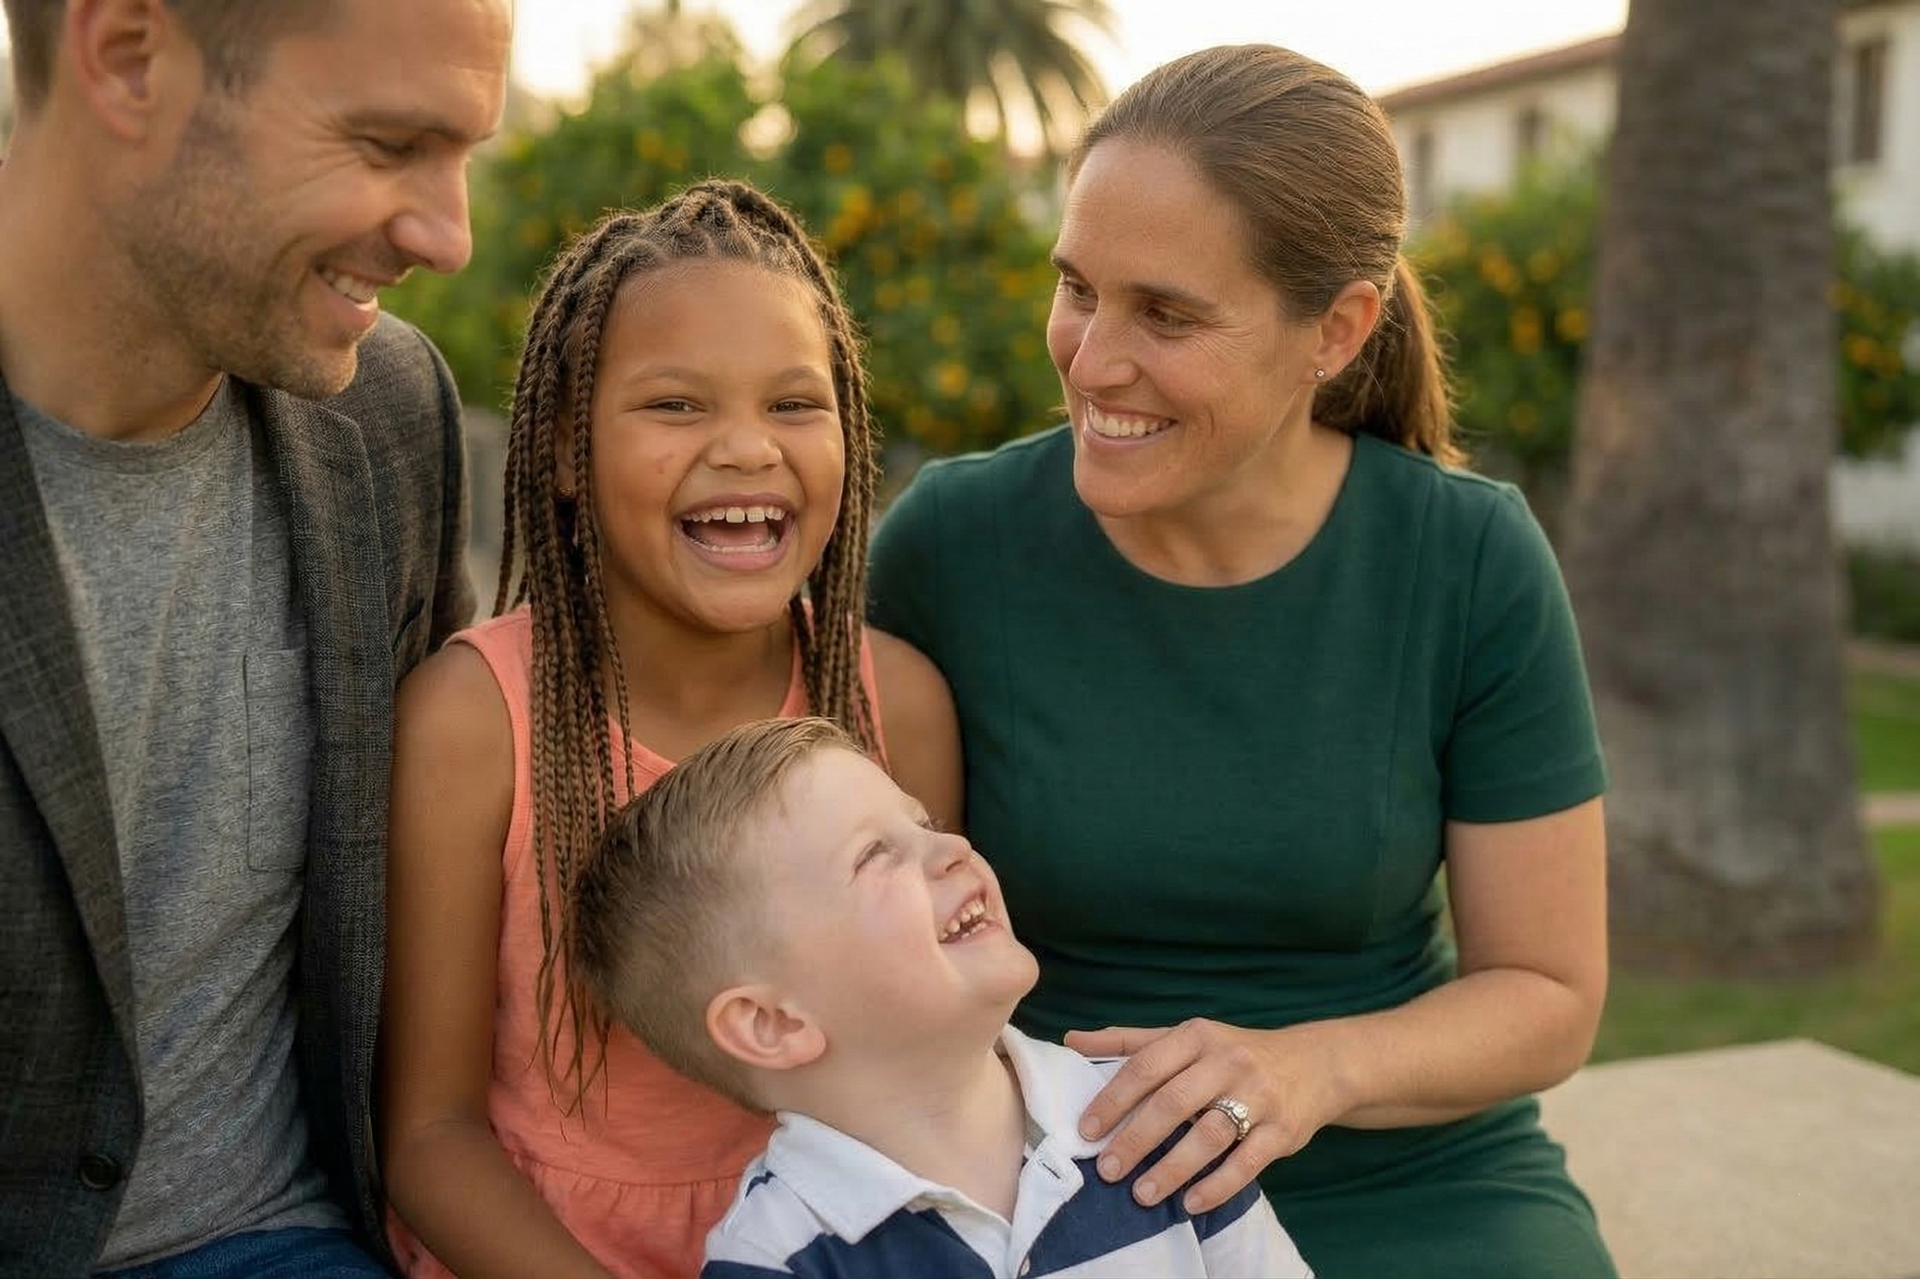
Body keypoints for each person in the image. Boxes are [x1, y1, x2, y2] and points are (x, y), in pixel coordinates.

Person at [867, 42, 1615, 1279]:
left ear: (1336, 329)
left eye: (1166, 313)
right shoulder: (956, 542)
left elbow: (1547, 990)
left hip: (1414, 1175)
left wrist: (1310, 1066)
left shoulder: (1470, 560)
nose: (1092, 358)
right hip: (1059, 1173)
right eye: (1076, 287)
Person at [0, 0, 509, 1274]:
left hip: (286, 1234)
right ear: (128, 56)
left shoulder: (391, 415)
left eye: (466, 157)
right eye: (390, 143)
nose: (450, 238)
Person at [378, 180, 963, 1279]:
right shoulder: (472, 724)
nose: (747, 449)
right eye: (677, 406)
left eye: (795, 405)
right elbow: (427, 1136)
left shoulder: (899, 709)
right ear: (559, 449)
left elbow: (931, 1071)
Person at [571, 715, 1315, 1279]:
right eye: (875, 854)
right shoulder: (781, 1252)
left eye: (923, 823)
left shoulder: (1151, 1118)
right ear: (772, 1021)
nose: (952, 846)